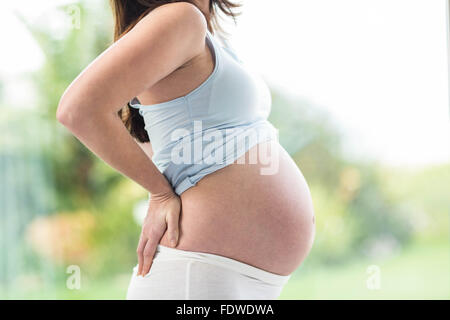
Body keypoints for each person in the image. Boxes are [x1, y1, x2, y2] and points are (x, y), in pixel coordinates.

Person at [56, 0, 315, 299]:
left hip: (228, 276)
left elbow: (164, 138)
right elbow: (77, 110)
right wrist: (160, 191)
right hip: (197, 274)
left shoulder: (204, 31)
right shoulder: (182, 18)